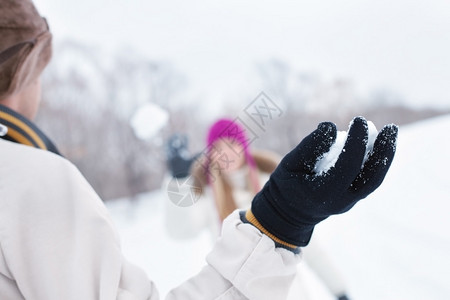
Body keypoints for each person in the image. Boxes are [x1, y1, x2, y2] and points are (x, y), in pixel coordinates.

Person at [0, 1, 398, 299]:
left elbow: (315, 250)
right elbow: (178, 229)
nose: (227, 154)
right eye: (218, 148)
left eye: (233, 145)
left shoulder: (276, 176)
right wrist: (178, 178)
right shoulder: (207, 192)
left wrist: (340, 289)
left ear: (244, 148)